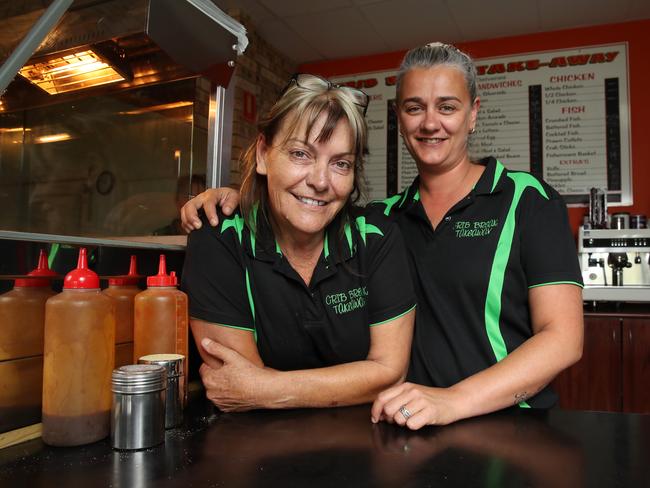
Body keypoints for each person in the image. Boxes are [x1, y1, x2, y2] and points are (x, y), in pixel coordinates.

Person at [181, 43, 584, 428]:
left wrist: (454, 400)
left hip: (513, 424)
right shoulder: (382, 221)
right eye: (414, 107)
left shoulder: (527, 199)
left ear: (473, 114)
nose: (430, 123)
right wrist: (240, 195)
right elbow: (304, 201)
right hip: (405, 422)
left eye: (447, 106)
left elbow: (563, 339)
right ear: (399, 117)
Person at [181, 73, 416, 412]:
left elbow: (391, 373)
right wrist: (358, 382)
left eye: (341, 163)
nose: (320, 181)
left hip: (364, 447)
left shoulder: (376, 236)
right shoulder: (220, 238)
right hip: (249, 452)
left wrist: (264, 389)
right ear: (263, 154)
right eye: (300, 154)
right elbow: (231, 382)